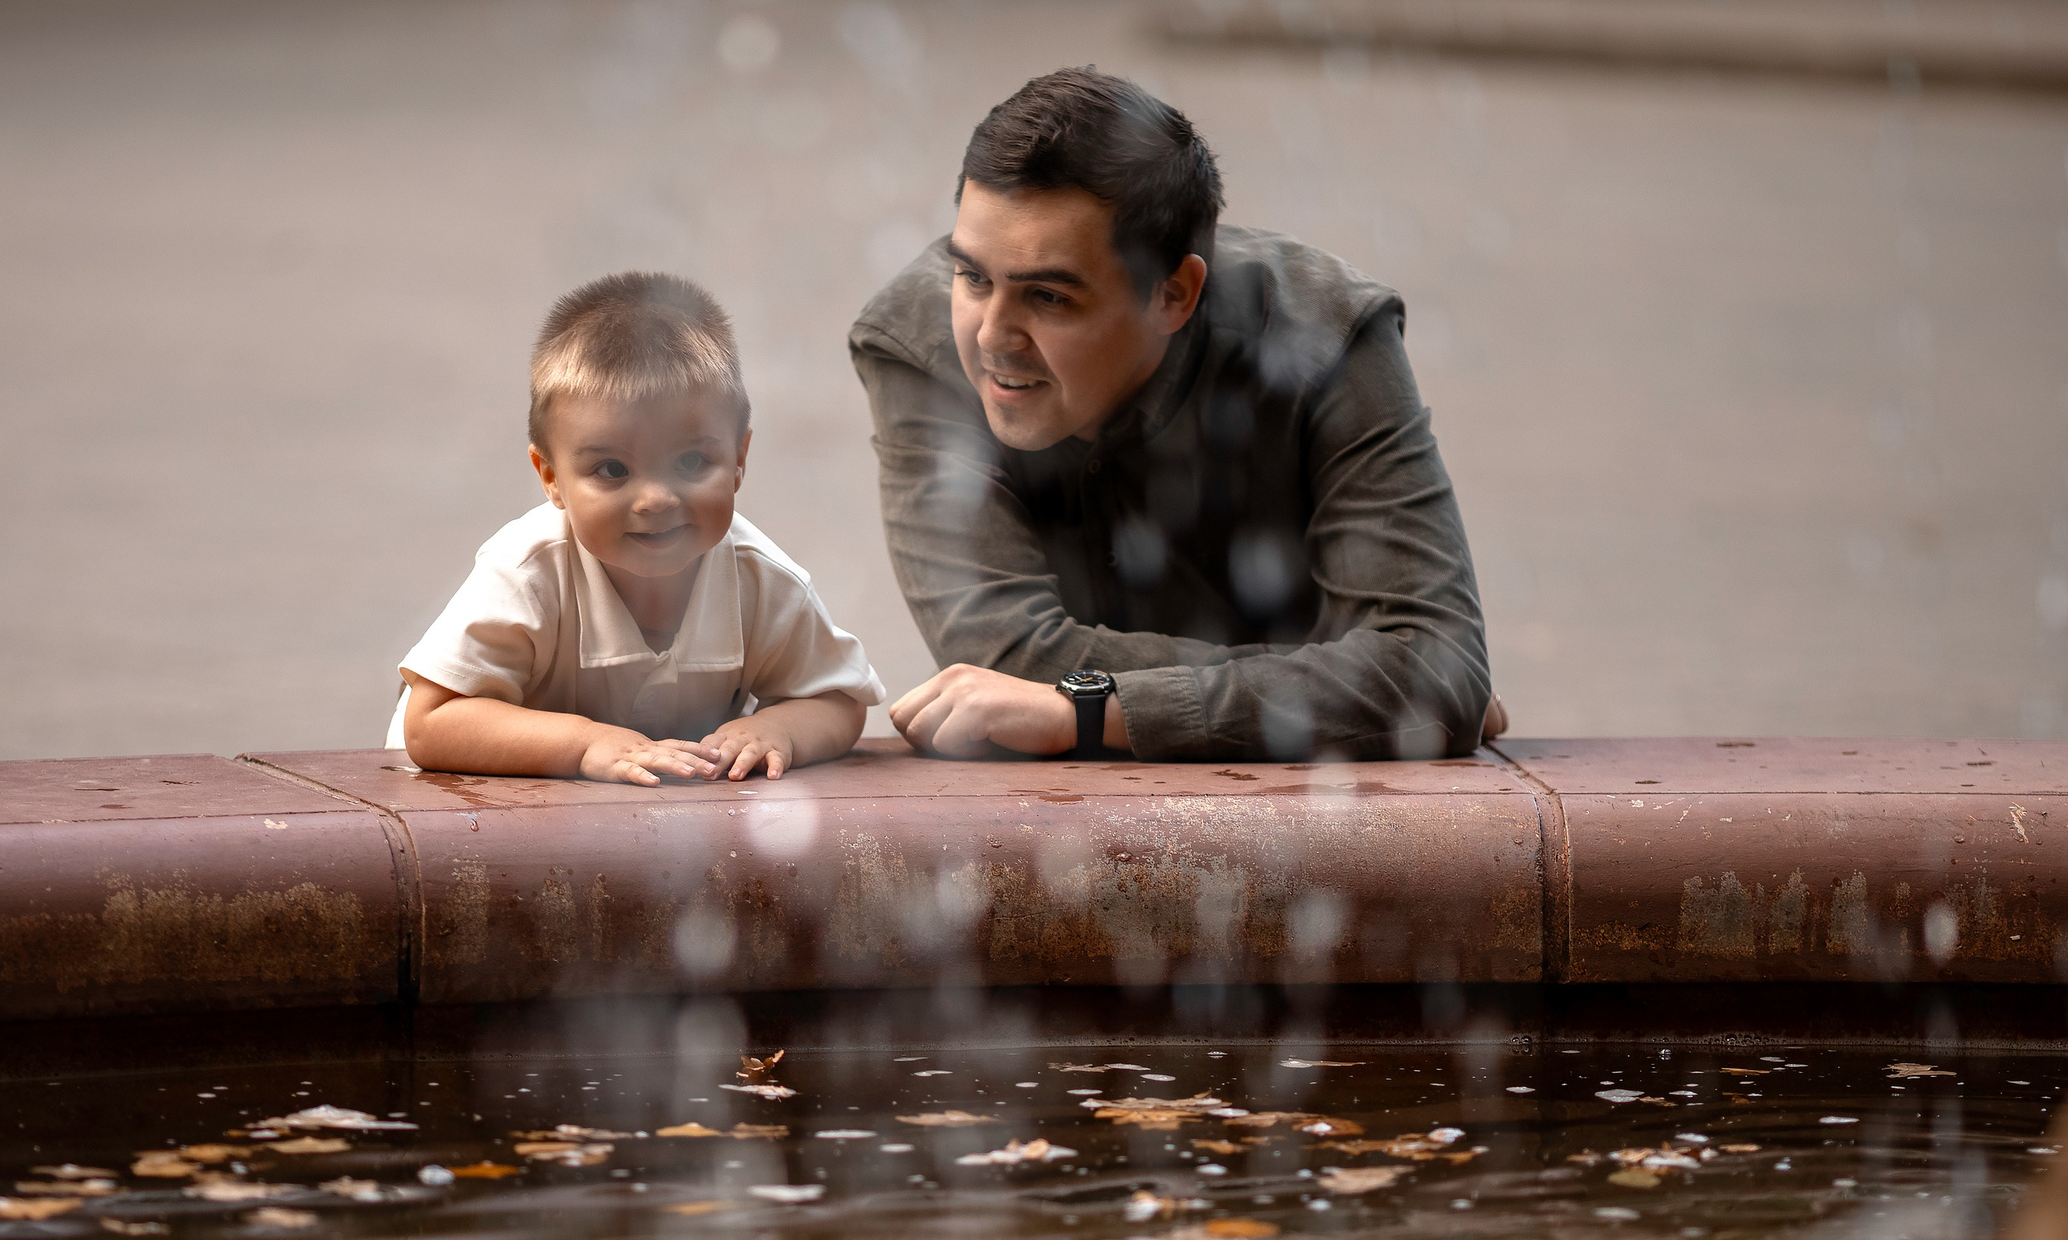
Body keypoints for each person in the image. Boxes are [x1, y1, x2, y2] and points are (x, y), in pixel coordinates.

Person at [855, 68, 1504, 762]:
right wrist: (1345, 680)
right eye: (973, 277)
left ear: (1174, 293)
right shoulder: (917, 348)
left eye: (1047, 297)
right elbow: (1004, 652)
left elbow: (1432, 669)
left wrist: (1089, 708)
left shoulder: (1328, 338)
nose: (990, 336)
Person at [392, 273, 885, 784]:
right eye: (612, 470)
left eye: (692, 461)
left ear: (739, 459)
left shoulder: (759, 578)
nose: (656, 499)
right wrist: (585, 744)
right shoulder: (528, 571)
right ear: (551, 478)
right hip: (468, 822)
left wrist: (777, 729)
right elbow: (430, 722)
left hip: (667, 839)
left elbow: (836, 698)